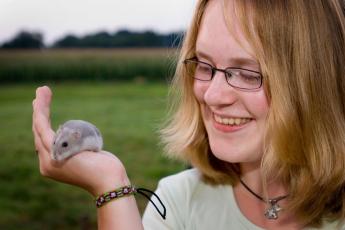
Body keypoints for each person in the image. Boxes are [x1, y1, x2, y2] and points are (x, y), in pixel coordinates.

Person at [32, 0, 345, 229]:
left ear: (316, 83)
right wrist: (110, 187)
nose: (211, 95)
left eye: (248, 74)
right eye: (205, 66)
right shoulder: (178, 201)